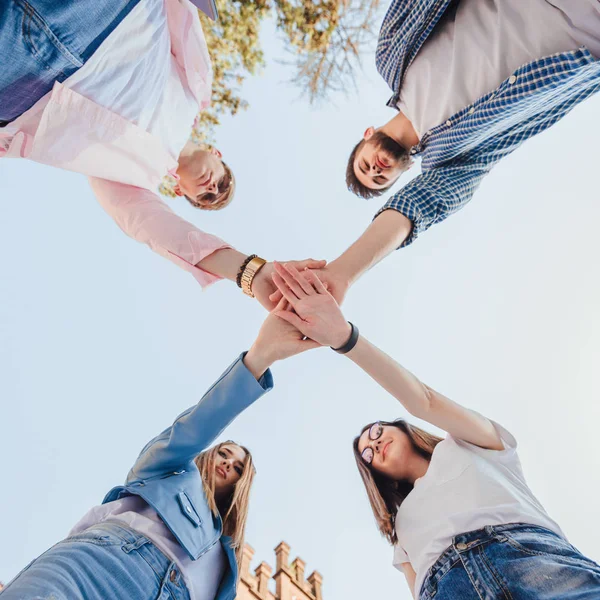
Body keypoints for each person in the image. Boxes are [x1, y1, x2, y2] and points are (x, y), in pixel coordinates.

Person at [270, 262, 600, 600]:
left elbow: (423, 401)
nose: (375, 443)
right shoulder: (401, 529)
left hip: (531, 561)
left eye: (377, 431)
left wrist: (346, 339)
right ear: (376, 474)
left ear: (401, 428)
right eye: (368, 454)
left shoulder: (476, 444)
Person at [266, 0, 600, 307]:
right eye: (380, 178)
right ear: (403, 173)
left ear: (367, 135)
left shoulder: (391, 57)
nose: (375, 170)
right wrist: (341, 274)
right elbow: (417, 207)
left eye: (365, 165)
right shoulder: (454, 159)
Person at [0, 0, 322, 307]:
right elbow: (180, 16)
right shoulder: (197, 90)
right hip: (108, 16)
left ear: (182, 192)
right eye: (223, 182)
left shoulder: (137, 181)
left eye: (207, 198)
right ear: (215, 152)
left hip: (27, 85)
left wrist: (249, 273)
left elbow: (160, 231)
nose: (213, 188)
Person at [0, 301, 319, 600]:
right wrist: (260, 357)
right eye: (225, 454)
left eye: (238, 468)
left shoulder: (228, 563)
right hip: (105, 564)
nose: (228, 465)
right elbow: (197, 426)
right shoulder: (171, 469)